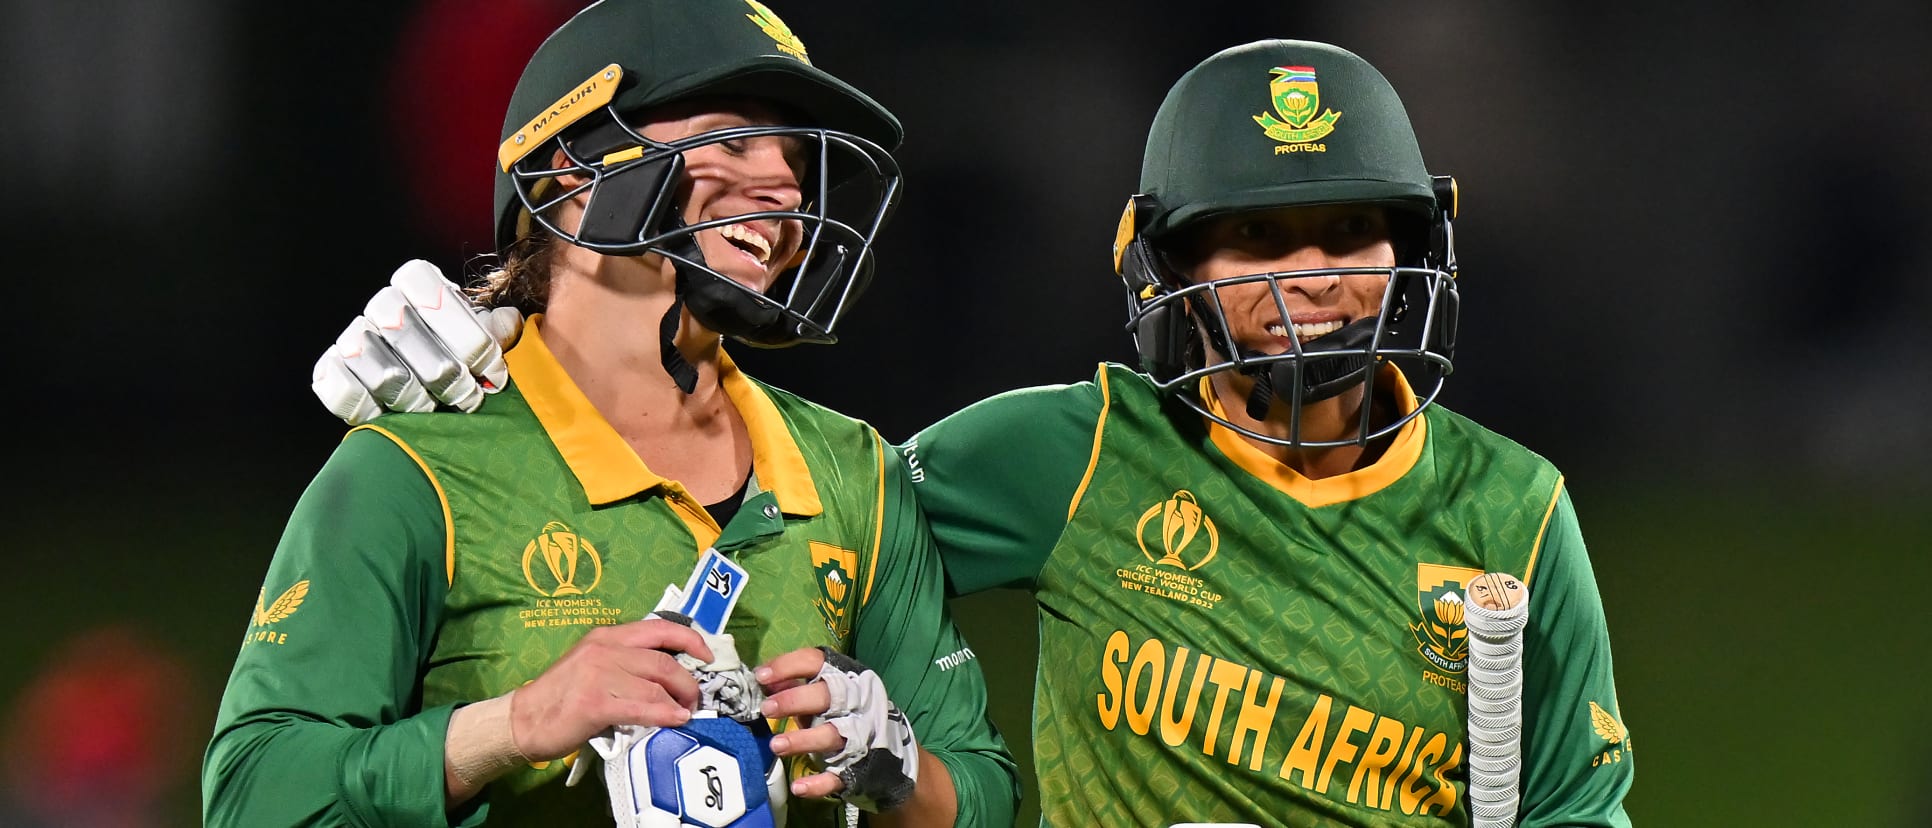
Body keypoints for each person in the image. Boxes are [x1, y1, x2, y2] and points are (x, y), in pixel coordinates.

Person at [315, 38, 1633, 827]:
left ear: (1414, 249)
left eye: (1349, 232)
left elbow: (1581, 804)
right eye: (1252, 239)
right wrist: (508, 344)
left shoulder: (1510, 513)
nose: (1307, 278)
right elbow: (787, 499)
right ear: (1169, 264)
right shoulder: (1071, 458)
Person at [205, 1, 1018, 826]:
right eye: (734, 138)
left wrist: (902, 774)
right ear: (572, 163)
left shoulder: (856, 474)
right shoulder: (417, 466)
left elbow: (984, 794)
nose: (784, 184)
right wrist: (516, 724)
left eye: (794, 154)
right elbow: (251, 795)